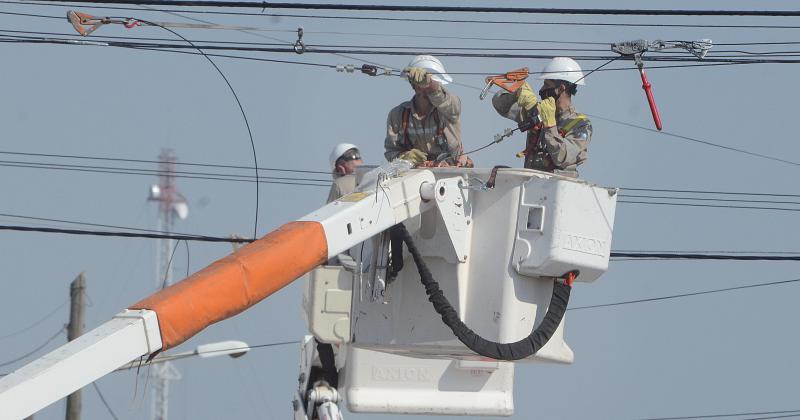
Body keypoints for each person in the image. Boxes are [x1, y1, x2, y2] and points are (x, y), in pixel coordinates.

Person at [492, 57, 592, 178]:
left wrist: (550, 127)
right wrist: (515, 93)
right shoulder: (538, 112)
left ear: (561, 89)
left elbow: (562, 157)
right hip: (531, 186)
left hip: (558, 189)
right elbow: (499, 105)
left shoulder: (581, 124)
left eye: (546, 84)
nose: (541, 90)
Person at [385, 55, 470, 168]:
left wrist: (431, 85)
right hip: (416, 178)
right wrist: (404, 157)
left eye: (428, 84)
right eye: (420, 84)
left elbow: (451, 105)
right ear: (413, 85)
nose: (424, 88)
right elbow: (391, 152)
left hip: (452, 175)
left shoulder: (448, 108)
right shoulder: (398, 115)